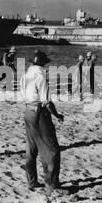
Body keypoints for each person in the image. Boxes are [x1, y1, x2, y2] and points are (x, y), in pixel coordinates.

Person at [20, 50, 66, 195]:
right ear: (42, 63)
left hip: (28, 110)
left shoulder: (25, 75)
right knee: (51, 150)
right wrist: (57, 115)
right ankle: (51, 184)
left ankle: (31, 181)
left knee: (31, 148)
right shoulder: (41, 76)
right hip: (39, 112)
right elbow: (46, 102)